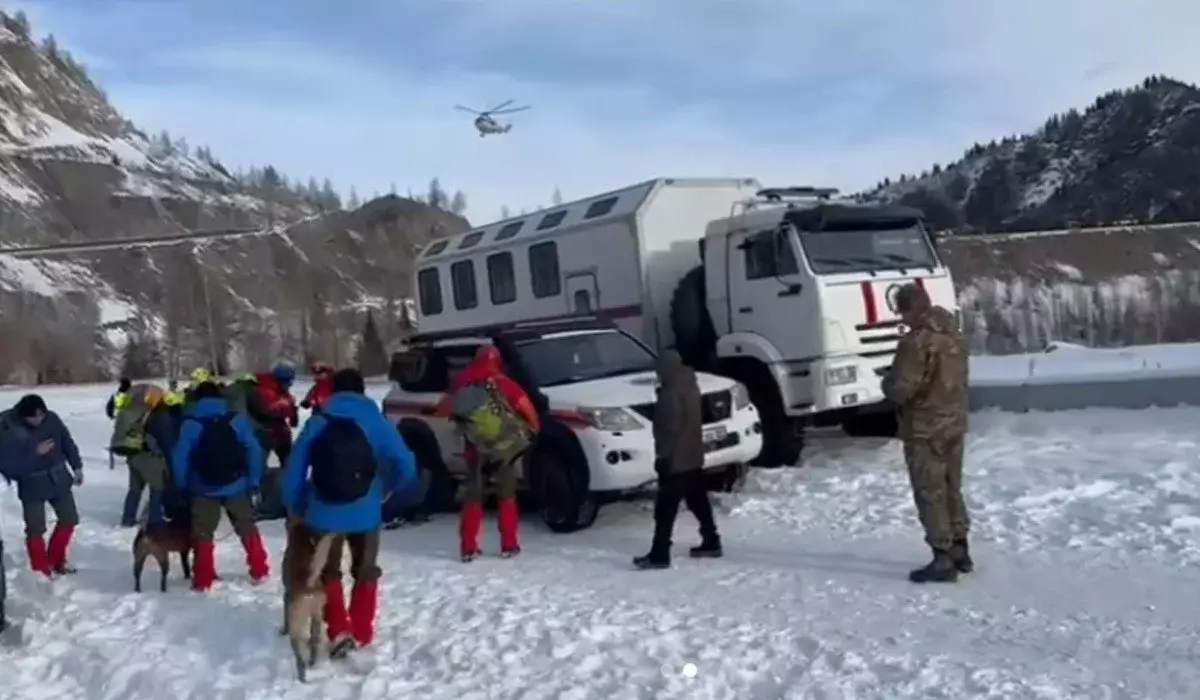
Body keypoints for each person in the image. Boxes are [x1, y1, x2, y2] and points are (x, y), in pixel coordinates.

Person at [282, 368, 420, 657]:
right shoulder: (375, 422)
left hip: (322, 512)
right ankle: (362, 632)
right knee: (366, 569)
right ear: (362, 391)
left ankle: (339, 630)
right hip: (366, 511)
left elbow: (294, 468)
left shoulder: (319, 421)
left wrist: (296, 503)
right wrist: (387, 489)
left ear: (333, 390)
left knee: (328, 571)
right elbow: (406, 464)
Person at [881, 283, 971, 584]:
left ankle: (942, 557)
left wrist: (887, 382)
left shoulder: (915, 343)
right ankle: (960, 548)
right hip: (954, 422)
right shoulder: (953, 333)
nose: (902, 320)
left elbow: (902, 389)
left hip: (925, 428)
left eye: (902, 313)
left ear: (909, 310)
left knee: (929, 492)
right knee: (951, 486)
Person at [435, 345, 539, 562]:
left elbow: (443, 409)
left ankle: (468, 547)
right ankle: (509, 544)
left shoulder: (462, 381)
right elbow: (525, 406)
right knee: (507, 495)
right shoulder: (504, 382)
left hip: (475, 450)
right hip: (503, 450)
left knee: (473, 497)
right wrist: (533, 428)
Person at [171, 382, 270, 590]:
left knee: (203, 532)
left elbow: (179, 457)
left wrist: (182, 484)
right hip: (236, 484)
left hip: (202, 488)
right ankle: (259, 569)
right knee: (246, 526)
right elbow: (254, 450)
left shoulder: (191, 424)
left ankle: (203, 578)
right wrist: (253, 480)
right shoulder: (236, 420)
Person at [633, 350, 721, 570]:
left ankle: (659, 553)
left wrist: (664, 455)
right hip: (693, 454)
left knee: (665, 508)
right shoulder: (690, 384)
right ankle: (711, 540)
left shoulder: (670, 391)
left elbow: (669, 426)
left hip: (675, 459)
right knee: (698, 500)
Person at [0, 395, 84, 576]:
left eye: (41, 415)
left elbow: (67, 442)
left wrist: (77, 466)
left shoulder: (52, 419)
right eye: (33, 417)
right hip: (32, 484)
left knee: (69, 519)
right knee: (36, 528)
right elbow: (10, 467)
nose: (38, 420)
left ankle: (56, 560)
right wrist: (35, 453)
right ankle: (40, 570)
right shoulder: (9, 430)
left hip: (59, 478)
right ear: (23, 416)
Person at [111, 384, 181, 528]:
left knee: (134, 489)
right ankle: (154, 521)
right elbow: (164, 440)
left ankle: (127, 519)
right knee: (157, 489)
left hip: (133, 455)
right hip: (150, 458)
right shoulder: (158, 415)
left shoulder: (132, 410)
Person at [256, 363, 299, 466]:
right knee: (258, 459)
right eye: (288, 382)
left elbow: (288, 407)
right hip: (262, 428)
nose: (290, 385)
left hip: (278, 429)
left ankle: (287, 470)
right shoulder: (265, 389)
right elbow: (270, 408)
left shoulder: (282, 391)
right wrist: (289, 406)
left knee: (288, 457)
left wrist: (293, 413)